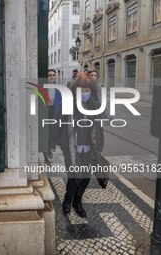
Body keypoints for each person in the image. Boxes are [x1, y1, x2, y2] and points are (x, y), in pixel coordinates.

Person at [61, 72, 104, 218]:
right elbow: (57, 124)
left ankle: (77, 202)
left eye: (87, 90)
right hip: (72, 147)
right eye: (81, 90)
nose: (84, 93)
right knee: (75, 177)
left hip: (88, 147)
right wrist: (51, 144)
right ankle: (68, 199)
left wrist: (98, 144)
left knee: (85, 177)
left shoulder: (94, 104)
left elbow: (99, 125)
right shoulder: (68, 104)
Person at [43, 69, 57, 165]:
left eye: (53, 75)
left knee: (53, 131)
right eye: (49, 75)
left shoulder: (57, 87)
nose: (51, 77)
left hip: (54, 111)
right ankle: (47, 152)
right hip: (45, 111)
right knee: (46, 132)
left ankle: (49, 148)